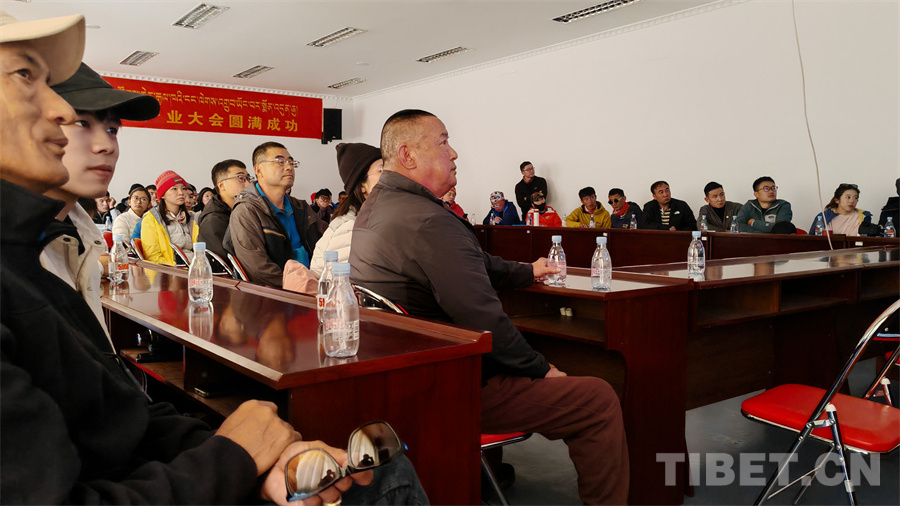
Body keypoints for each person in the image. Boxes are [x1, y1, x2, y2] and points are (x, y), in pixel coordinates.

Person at [351, 109, 629, 505]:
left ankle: (488, 474)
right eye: (443, 142)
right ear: (408, 155)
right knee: (597, 399)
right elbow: (481, 318)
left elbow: (472, 263)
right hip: (454, 383)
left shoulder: (379, 208)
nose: (454, 153)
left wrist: (527, 271)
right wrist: (541, 369)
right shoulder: (427, 219)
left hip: (409, 374)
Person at [225, 141, 324, 287]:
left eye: (291, 162)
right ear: (259, 170)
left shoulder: (300, 207)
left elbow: (327, 241)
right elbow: (259, 270)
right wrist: (302, 286)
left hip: (314, 283)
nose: (289, 167)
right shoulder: (246, 212)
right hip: (280, 293)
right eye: (280, 161)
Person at [310, 142, 383, 278]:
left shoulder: (368, 219)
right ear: (362, 186)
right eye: (381, 170)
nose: (390, 176)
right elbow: (342, 284)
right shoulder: (350, 227)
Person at [196, 159, 251, 260]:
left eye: (248, 178)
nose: (248, 184)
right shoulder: (213, 220)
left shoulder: (241, 209)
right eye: (240, 178)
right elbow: (226, 262)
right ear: (221, 185)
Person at [140, 170, 196, 265]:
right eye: (174, 189)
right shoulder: (151, 219)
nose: (181, 193)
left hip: (194, 267)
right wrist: (179, 268)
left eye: (183, 188)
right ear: (162, 195)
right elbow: (153, 257)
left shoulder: (192, 217)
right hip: (170, 270)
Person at [809, 183, 873, 236]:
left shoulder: (863, 217)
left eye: (855, 198)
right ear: (837, 200)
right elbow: (811, 240)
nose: (852, 201)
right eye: (848, 197)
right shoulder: (823, 217)